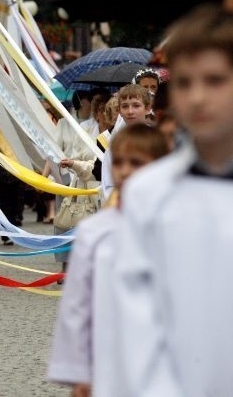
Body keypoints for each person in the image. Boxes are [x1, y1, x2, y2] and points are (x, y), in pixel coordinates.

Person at [108, 5, 233, 395]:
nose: (197, 98)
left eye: (214, 81)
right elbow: (132, 312)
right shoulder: (148, 192)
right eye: (184, 82)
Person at [48, 124, 169, 396]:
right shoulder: (94, 231)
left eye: (137, 163)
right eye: (119, 163)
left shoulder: (174, 226)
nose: (125, 171)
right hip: (110, 346)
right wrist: (77, 371)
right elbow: (78, 302)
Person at [99, 84, 151, 202]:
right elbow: (108, 184)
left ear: (147, 108)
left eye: (136, 106)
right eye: (125, 107)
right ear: (120, 111)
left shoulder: (159, 140)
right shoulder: (115, 145)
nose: (130, 111)